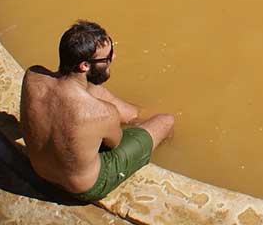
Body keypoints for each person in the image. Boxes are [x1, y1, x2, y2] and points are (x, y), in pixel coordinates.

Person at [20, 21, 175, 202]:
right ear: (84, 66)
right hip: (83, 187)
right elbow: (114, 144)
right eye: (107, 57)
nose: (113, 57)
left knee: (93, 90)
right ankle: (151, 133)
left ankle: (135, 115)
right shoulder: (103, 113)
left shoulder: (33, 76)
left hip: (39, 168)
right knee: (166, 121)